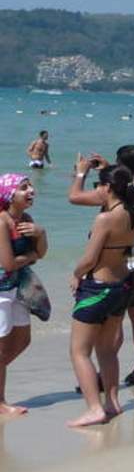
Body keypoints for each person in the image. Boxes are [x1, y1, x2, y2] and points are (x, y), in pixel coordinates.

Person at [69, 144, 134, 386]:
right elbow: (124, 183)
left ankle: (104, 375)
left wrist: (81, 173)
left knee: (114, 322)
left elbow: (75, 197)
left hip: (124, 262)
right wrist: (110, 169)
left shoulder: (124, 194)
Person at [67, 164, 134, 428]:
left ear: (107, 187)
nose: (96, 190)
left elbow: (90, 259)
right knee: (107, 350)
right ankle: (112, 402)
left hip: (98, 288)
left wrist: (76, 273)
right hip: (122, 286)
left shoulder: (105, 219)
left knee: (79, 352)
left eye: (99, 185)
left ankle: (94, 408)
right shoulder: (132, 213)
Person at [1, 174, 47, 416]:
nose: (31, 190)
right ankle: (0, 402)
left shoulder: (26, 219)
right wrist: (31, 257)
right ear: (9, 195)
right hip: (1, 291)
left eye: (30, 186)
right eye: (23, 187)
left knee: (22, 339)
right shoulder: (1, 222)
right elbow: (8, 264)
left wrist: (41, 233)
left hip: (18, 288)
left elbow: (42, 253)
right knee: (0, 348)